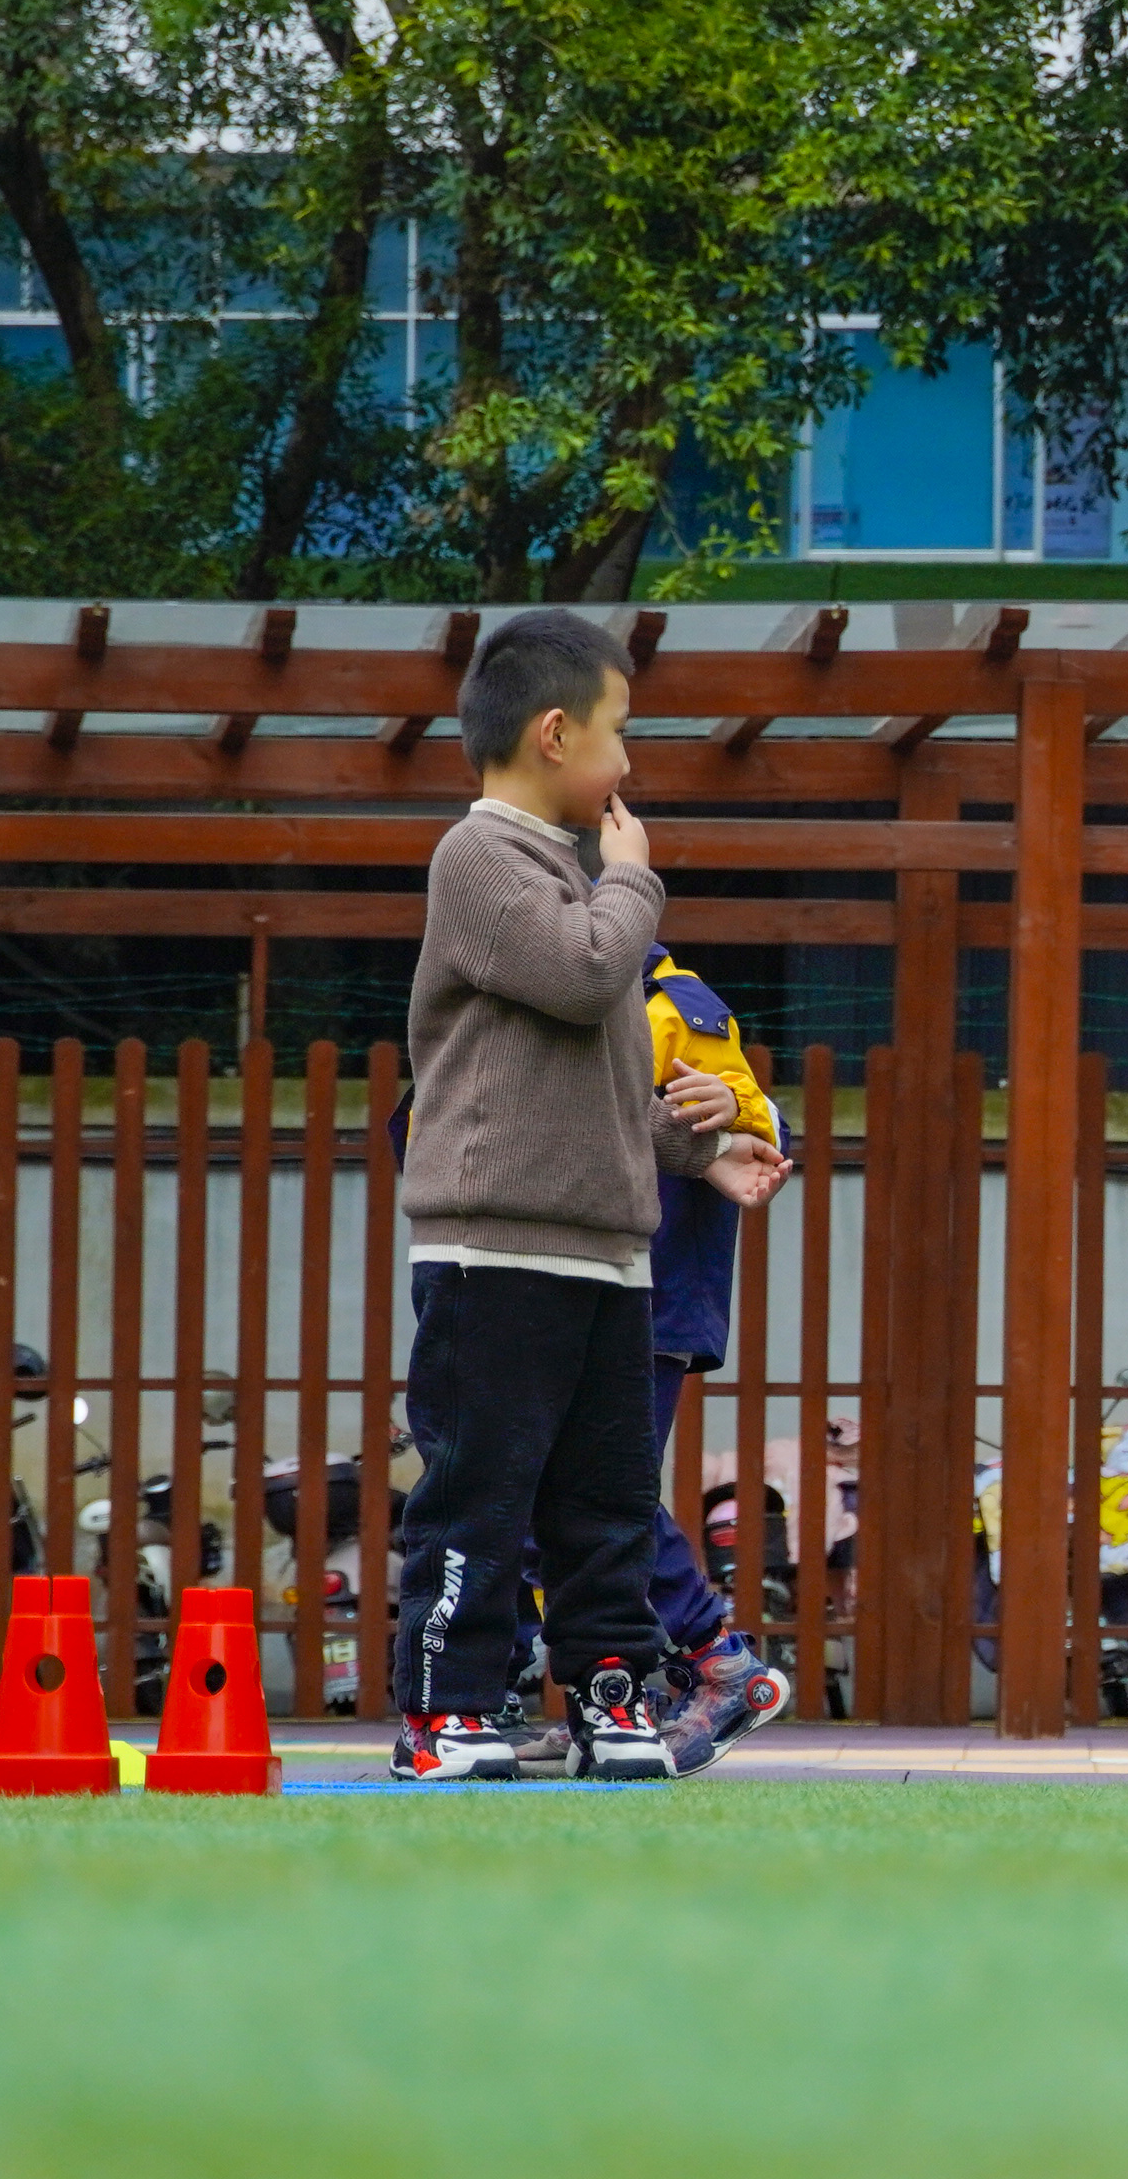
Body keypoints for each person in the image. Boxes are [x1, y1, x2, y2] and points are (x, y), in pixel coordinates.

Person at [384, 609, 735, 1783]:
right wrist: (635, 883)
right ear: (552, 734)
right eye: (617, 733)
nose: (628, 765)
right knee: (482, 1491)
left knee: (605, 1506)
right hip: (496, 1251)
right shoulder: (480, 858)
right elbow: (592, 979)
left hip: (605, 1253)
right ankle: (448, 1713)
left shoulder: (573, 885)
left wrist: (686, 1142)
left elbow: (586, 1080)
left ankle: (610, 1702)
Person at [506, 945, 796, 1778]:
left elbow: (753, 1125)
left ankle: (714, 1661)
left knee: (591, 1494)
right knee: (558, 1499)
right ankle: (622, 1693)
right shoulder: (561, 993)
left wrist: (747, 1119)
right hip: (593, 1285)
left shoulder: (670, 1001)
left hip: (647, 1290)